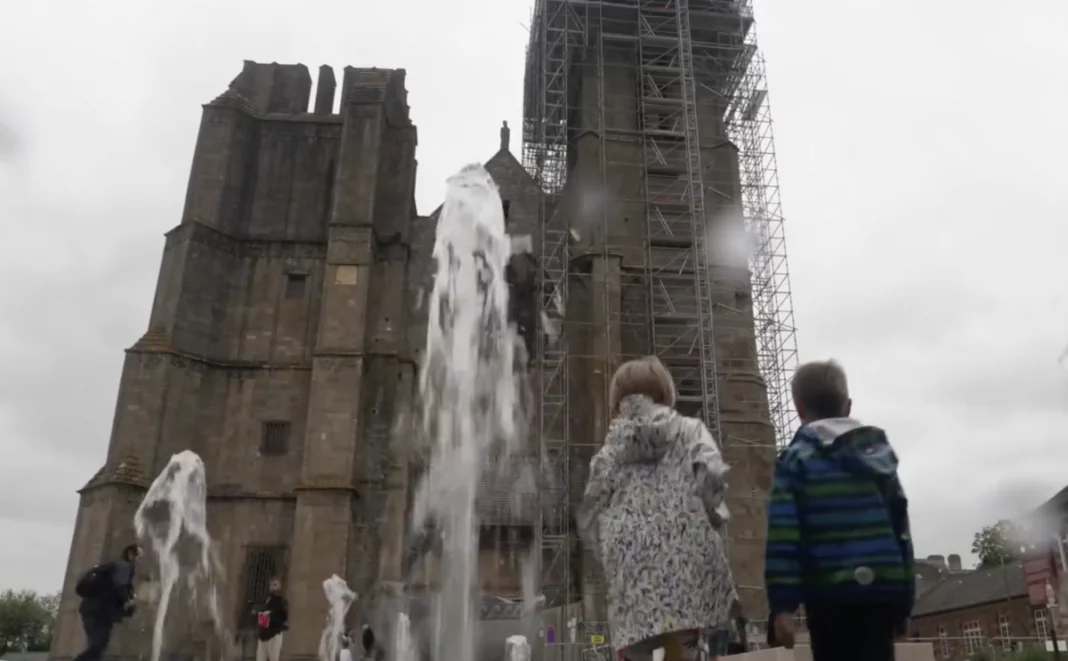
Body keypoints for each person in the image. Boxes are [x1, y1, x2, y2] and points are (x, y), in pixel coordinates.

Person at [577, 356, 737, 661]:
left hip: (631, 577)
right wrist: (712, 518)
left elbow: (590, 509)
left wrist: (608, 552)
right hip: (686, 571)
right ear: (666, 393)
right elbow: (712, 477)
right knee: (685, 649)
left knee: (635, 650)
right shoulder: (690, 431)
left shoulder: (609, 450)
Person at [764, 360, 914, 661]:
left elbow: (784, 535)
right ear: (847, 406)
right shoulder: (880, 458)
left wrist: (782, 606)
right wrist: (904, 602)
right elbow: (901, 530)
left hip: (829, 593)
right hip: (880, 593)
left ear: (798, 408)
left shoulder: (796, 460)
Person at [73, 543, 141, 661]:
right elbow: (119, 586)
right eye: (139, 556)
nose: (141, 560)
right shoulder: (123, 566)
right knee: (98, 646)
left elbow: (112, 592)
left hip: (94, 612)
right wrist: (128, 601)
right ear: (130, 554)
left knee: (97, 649)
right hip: (99, 613)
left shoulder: (114, 568)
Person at [253, 577, 289, 661]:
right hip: (263, 634)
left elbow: (283, 617)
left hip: (275, 634)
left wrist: (270, 615)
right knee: (260, 658)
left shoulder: (282, 601)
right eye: (271, 585)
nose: (272, 587)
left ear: (280, 586)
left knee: (273, 658)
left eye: (275, 585)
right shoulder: (266, 600)